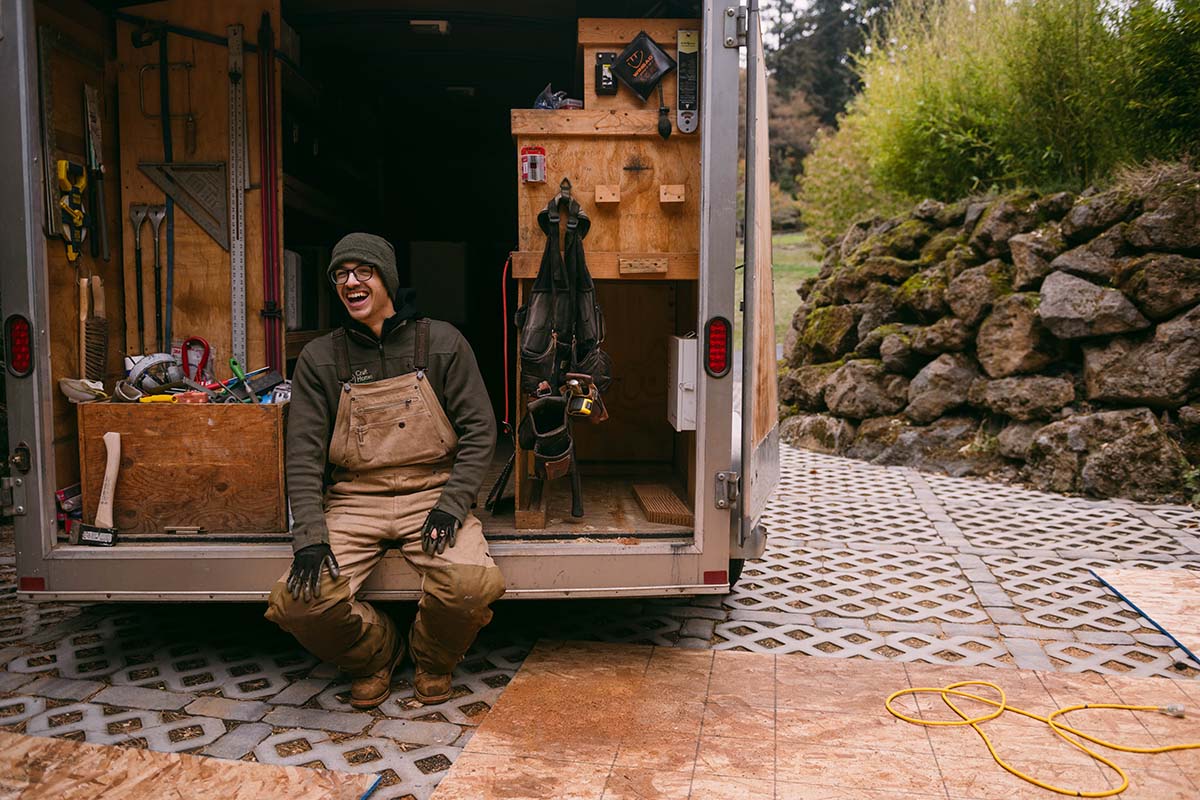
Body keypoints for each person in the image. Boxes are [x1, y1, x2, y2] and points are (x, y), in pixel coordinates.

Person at [265, 232, 504, 709]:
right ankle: (375, 656)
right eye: (340, 275)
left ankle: (433, 659)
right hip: (355, 499)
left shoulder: (442, 343)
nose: (350, 282)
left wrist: (452, 505)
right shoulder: (319, 358)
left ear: (386, 280)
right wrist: (309, 535)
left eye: (362, 272)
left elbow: (482, 432)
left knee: (470, 589)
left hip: (431, 495)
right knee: (299, 605)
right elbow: (305, 454)